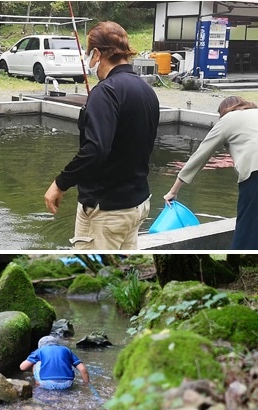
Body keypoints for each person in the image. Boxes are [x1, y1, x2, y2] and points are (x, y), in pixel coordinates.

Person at [44, 21, 160, 250]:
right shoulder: (147, 91)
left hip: (105, 210)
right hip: (136, 205)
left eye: (89, 54)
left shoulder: (105, 92)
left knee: (94, 270)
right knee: (122, 270)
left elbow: (95, 149)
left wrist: (60, 183)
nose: (89, 60)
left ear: (97, 54)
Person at [163, 96, 258, 249]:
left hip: (255, 173)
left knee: (246, 230)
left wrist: (173, 190)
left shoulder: (228, 119)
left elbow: (200, 155)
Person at [20, 336, 90, 390]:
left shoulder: (40, 350)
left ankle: (38, 386)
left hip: (47, 384)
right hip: (67, 384)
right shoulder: (66, 350)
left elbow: (22, 367)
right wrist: (86, 385)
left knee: (36, 363)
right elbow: (83, 369)